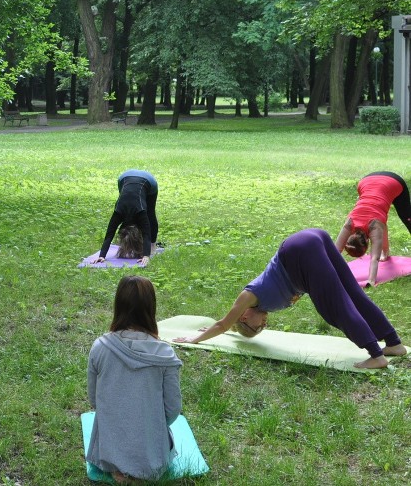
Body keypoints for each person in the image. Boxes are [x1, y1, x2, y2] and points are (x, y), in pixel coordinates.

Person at [175, 229, 407, 369]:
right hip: (313, 241)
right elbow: (228, 326)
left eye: (255, 328)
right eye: (261, 330)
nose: (262, 326)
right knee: (353, 295)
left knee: (334, 307)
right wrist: (228, 329)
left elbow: (224, 323)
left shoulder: (249, 296)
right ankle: (394, 343)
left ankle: (376, 355)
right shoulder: (259, 307)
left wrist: (195, 338)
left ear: (245, 315)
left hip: (299, 250)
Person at [87, 276, 182, 483]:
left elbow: (94, 400)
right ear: (151, 308)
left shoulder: (100, 347)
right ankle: (139, 468)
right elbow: (172, 409)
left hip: (107, 452)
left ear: (118, 305)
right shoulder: (164, 354)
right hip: (152, 457)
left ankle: (118, 468)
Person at [335, 171, 411, 286]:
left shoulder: (374, 226)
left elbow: (374, 258)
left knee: (407, 216)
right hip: (365, 180)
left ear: (367, 242)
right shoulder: (349, 223)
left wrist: (370, 281)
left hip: (392, 182)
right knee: (380, 220)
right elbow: (335, 251)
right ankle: (386, 253)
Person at [93, 170, 159, 266]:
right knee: (128, 195)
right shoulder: (118, 212)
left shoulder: (141, 212)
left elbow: (146, 234)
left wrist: (146, 255)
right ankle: (151, 245)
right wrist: (101, 256)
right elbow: (109, 235)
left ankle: (153, 245)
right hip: (124, 178)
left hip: (148, 180)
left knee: (150, 214)